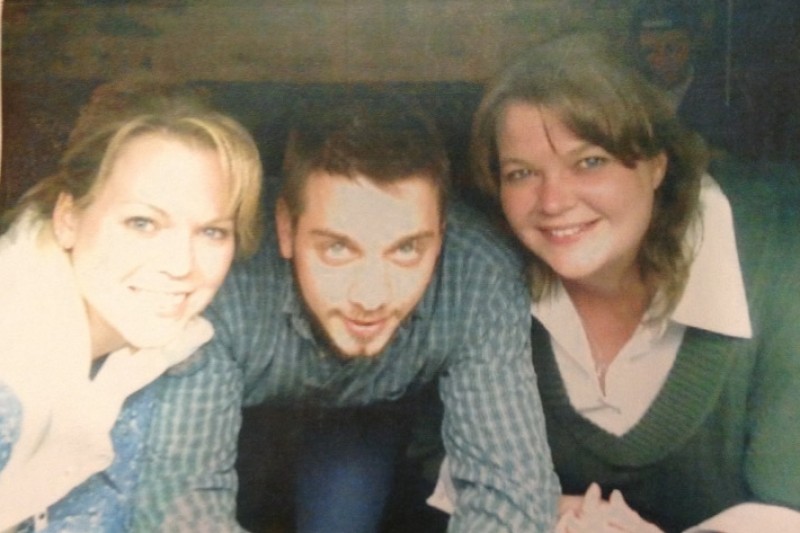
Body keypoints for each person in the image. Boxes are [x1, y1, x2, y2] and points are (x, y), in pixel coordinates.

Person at [132, 94, 560, 532]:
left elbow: (510, 490)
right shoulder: (225, 274)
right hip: (252, 421)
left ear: (441, 235)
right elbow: (180, 503)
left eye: (406, 249)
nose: (371, 297)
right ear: (286, 228)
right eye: (337, 248)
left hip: (378, 419)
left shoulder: (478, 271)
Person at [429, 32, 800, 533]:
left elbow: (789, 508)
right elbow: (434, 457)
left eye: (589, 162)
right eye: (521, 173)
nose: (553, 201)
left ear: (657, 163)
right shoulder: (488, 273)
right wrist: (547, 510)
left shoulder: (780, 268)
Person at [0, 79, 263, 531]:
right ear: (68, 218)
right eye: (142, 223)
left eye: (212, 232)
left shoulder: (179, 347)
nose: (181, 265)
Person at [629, 0, 756, 160]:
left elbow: (736, 155)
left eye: (672, 48)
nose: (661, 59)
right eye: (650, 51)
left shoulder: (723, 94)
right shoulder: (632, 96)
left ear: (692, 44)